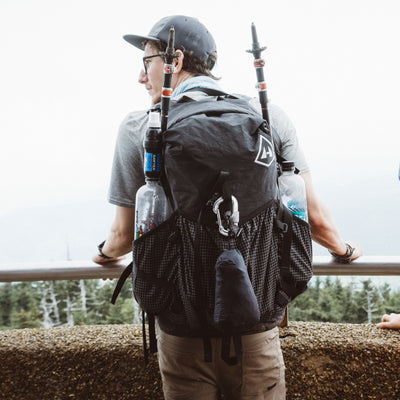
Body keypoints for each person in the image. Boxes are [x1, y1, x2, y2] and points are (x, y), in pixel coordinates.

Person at [93, 15, 362, 399]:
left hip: (183, 332)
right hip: (257, 330)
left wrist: (104, 254)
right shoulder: (268, 118)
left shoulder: (142, 127)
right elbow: (313, 218)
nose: (141, 76)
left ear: (175, 61)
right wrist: (345, 250)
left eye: (146, 61)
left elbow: (122, 237)